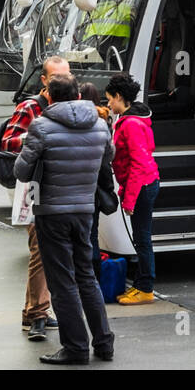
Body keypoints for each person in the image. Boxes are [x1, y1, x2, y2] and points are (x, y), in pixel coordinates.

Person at [14, 74, 116, 365]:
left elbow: (22, 172)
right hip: (84, 211)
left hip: (52, 213)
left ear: (50, 96)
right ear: (78, 96)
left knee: (62, 283)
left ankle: (75, 348)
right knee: (86, 276)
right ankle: (104, 343)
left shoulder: (41, 127)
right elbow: (108, 156)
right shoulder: (100, 124)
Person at [2, 54, 70, 341]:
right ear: (44, 81)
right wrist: (39, 138)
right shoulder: (31, 107)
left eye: (66, 76)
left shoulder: (70, 106)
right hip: (36, 188)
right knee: (40, 252)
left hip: (62, 187)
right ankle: (38, 314)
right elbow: (8, 141)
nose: (63, 82)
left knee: (48, 253)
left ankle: (35, 311)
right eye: (57, 78)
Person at [106, 72, 159, 305]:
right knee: (141, 238)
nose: (108, 104)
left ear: (119, 97)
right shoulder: (135, 120)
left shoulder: (131, 125)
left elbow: (139, 163)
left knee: (142, 239)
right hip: (144, 184)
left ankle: (145, 287)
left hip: (142, 186)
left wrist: (129, 199)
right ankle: (142, 285)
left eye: (110, 99)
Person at [79, 82, 110, 283]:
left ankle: (83, 280)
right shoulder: (104, 121)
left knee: (79, 239)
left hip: (77, 187)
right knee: (92, 235)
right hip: (97, 187)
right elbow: (108, 156)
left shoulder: (77, 121)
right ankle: (95, 281)